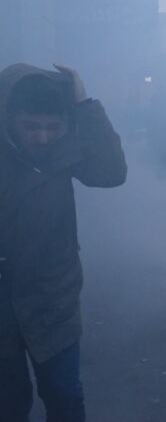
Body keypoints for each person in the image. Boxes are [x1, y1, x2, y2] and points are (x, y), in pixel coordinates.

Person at [0, 63, 127, 422]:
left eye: (51, 128)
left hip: (53, 293)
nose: (42, 137)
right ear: (10, 118)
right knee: (8, 401)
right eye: (32, 127)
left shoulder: (65, 145)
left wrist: (85, 105)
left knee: (64, 395)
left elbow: (111, 173)